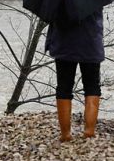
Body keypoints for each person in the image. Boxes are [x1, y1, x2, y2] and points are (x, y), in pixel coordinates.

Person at [45, 8, 104, 142]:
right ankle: (89, 131)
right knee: (92, 86)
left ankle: (65, 134)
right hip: (91, 42)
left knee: (64, 88)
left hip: (64, 43)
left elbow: (49, 15)